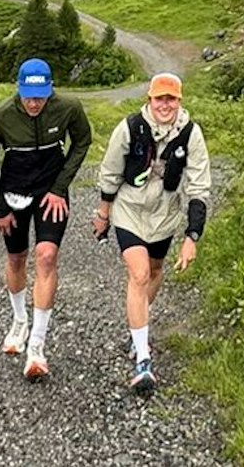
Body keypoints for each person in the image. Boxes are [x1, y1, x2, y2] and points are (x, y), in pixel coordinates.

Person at [92, 71, 211, 397]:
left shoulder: (190, 134)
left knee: (155, 271)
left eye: (171, 99)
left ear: (179, 101)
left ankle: (137, 327)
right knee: (140, 273)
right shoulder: (130, 128)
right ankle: (143, 359)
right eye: (160, 98)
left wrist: (192, 237)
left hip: (165, 217)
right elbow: (110, 172)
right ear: (150, 99)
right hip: (129, 212)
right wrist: (103, 214)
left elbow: (199, 188)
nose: (165, 105)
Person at [0, 56, 93, 380]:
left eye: (40, 97)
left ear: (50, 92)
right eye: (28, 96)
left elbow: (82, 140)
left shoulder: (68, 107)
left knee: (46, 256)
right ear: (19, 89)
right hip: (13, 193)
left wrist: (60, 187)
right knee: (16, 258)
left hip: (50, 192)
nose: (34, 103)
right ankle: (19, 321)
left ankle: (37, 348)